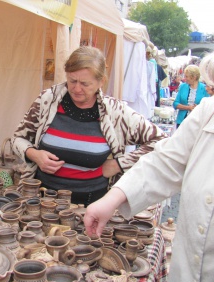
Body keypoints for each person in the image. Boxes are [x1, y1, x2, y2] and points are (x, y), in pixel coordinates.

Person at [83, 51, 214, 282]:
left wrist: (118, 164)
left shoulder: (115, 109)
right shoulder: (208, 111)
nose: (210, 93)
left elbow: (153, 138)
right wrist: (112, 199)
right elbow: (165, 162)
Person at [11, 46, 167, 206]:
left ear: (101, 81)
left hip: (91, 205)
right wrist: (33, 154)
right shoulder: (48, 100)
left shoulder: (115, 112)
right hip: (41, 202)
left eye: (85, 83)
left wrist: (118, 164)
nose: (76, 88)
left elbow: (161, 141)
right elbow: (17, 139)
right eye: (72, 81)